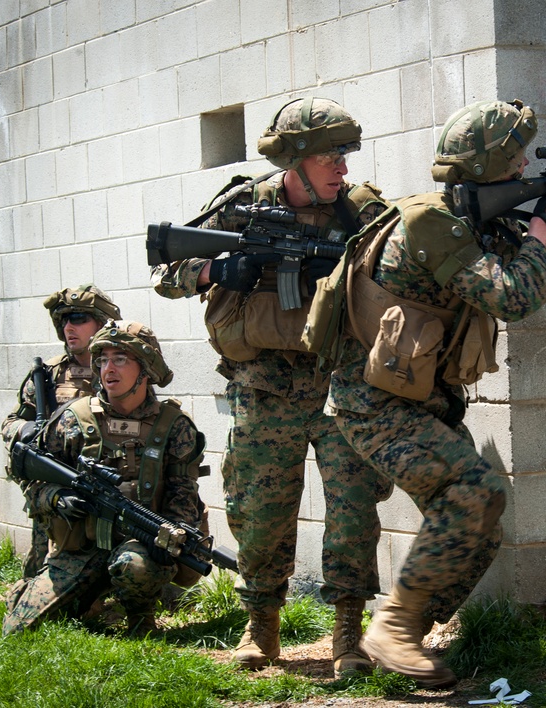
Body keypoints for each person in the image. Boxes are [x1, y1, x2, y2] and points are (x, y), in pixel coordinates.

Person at [325, 99, 546, 687]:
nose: (526, 164)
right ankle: (392, 628)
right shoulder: (431, 223)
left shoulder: (479, 224)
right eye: (516, 155)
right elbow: (513, 297)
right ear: (490, 163)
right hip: (373, 403)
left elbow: (544, 270)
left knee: (484, 519)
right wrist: (545, 222)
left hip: (423, 401)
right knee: (472, 490)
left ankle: (406, 635)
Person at [152, 97, 391, 673]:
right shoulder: (243, 206)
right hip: (263, 387)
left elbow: (403, 273)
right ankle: (261, 629)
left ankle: (347, 636)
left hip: (342, 385)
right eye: (331, 156)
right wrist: (216, 269)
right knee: (259, 511)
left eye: (345, 155)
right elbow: (167, 273)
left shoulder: (362, 212)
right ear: (296, 161)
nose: (343, 167)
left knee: (354, 509)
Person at [2, 320, 207, 637]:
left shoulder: (174, 426)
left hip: (137, 547)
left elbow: (184, 494)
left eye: (120, 359)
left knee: (137, 567)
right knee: (18, 631)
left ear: (146, 367)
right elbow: (32, 481)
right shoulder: (74, 418)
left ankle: (141, 621)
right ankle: (62, 596)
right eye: (102, 360)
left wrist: (172, 531)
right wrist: (57, 498)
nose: (108, 368)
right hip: (80, 549)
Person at [1, 284, 122, 579]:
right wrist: (30, 431)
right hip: (57, 481)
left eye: (79, 318)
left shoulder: (120, 368)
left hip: (108, 478)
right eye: (64, 320)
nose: (69, 327)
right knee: (44, 570)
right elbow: (12, 423)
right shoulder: (50, 374)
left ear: (102, 323)